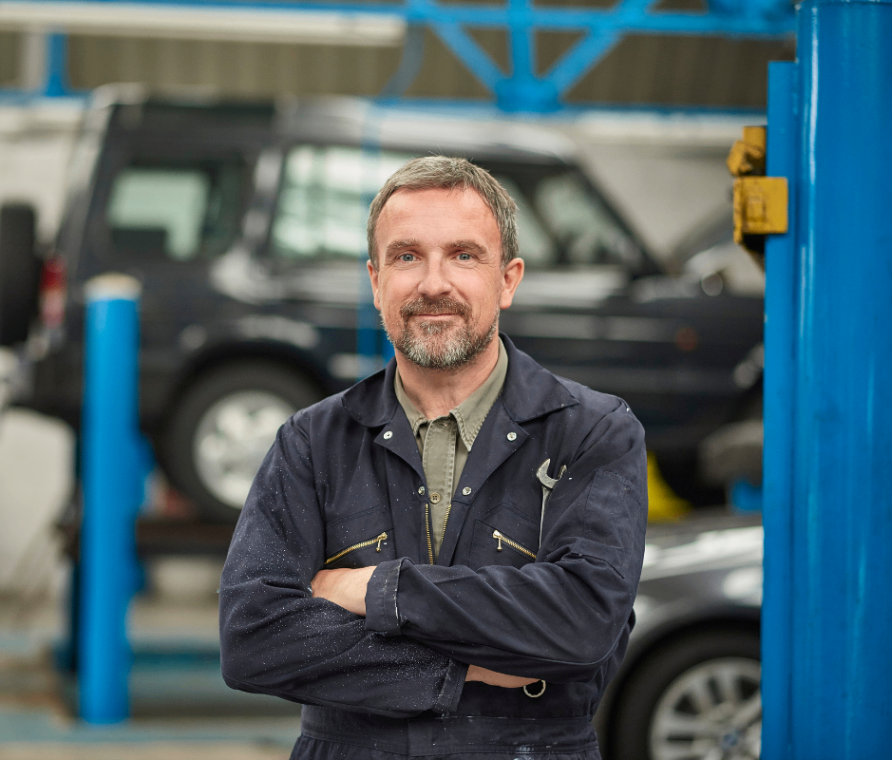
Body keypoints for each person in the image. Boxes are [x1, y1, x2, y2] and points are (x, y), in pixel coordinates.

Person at [219, 157, 648, 759]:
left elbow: (581, 624)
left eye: (464, 255)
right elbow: (253, 638)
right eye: (406, 256)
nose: (433, 283)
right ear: (375, 280)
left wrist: (376, 590)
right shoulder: (313, 442)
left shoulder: (591, 434)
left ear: (508, 279)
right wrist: (462, 673)